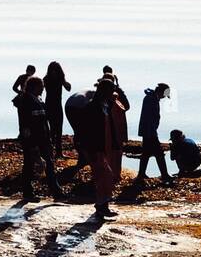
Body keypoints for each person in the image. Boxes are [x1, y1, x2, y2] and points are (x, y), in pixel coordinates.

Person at [64, 88, 114, 217]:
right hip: (94, 148)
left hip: (97, 147)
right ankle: (102, 204)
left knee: (103, 175)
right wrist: (93, 150)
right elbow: (91, 131)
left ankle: (102, 204)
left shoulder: (99, 105)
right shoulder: (94, 108)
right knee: (104, 175)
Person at [14, 76, 64, 202]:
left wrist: (49, 139)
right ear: (34, 87)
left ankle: (56, 192)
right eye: (41, 87)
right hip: (32, 139)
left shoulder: (38, 100)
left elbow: (43, 122)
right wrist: (31, 143)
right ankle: (28, 192)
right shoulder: (26, 101)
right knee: (30, 165)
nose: (43, 89)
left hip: (43, 138)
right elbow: (26, 123)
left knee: (48, 164)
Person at [137, 83, 175, 185]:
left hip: (149, 130)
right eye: (164, 95)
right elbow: (148, 118)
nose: (163, 97)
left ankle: (141, 174)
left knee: (146, 153)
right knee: (159, 153)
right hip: (150, 131)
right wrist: (151, 132)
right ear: (161, 92)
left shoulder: (152, 98)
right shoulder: (151, 99)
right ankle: (164, 174)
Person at [101, 75, 130, 208]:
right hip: (111, 137)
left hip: (114, 137)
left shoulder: (112, 101)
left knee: (114, 159)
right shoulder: (107, 103)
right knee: (109, 162)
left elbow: (125, 109)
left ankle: (105, 199)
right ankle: (103, 201)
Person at [44, 61, 72, 158]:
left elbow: (68, 88)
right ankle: (51, 151)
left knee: (59, 129)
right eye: (53, 70)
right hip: (49, 105)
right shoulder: (46, 79)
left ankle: (58, 152)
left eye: (56, 70)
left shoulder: (59, 79)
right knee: (51, 130)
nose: (54, 72)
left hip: (57, 105)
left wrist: (63, 80)